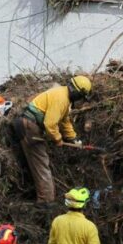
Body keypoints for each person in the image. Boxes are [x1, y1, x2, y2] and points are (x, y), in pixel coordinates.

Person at [12, 75, 92, 206]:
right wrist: (58, 139)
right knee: (41, 163)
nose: (82, 101)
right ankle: (46, 201)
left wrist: (73, 138)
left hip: (27, 123)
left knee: (37, 162)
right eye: (82, 98)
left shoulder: (64, 97)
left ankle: (43, 198)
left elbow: (65, 121)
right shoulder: (61, 99)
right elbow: (50, 124)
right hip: (29, 125)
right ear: (77, 93)